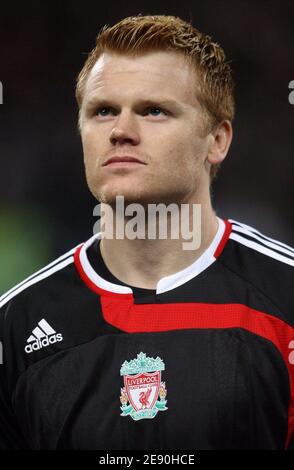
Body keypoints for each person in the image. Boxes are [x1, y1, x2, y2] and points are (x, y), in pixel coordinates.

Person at [0, 14, 293, 450]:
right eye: (102, 111)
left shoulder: (284, 296)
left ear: (217, 140)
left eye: (154, 110)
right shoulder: (16, 324)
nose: (120, 131)